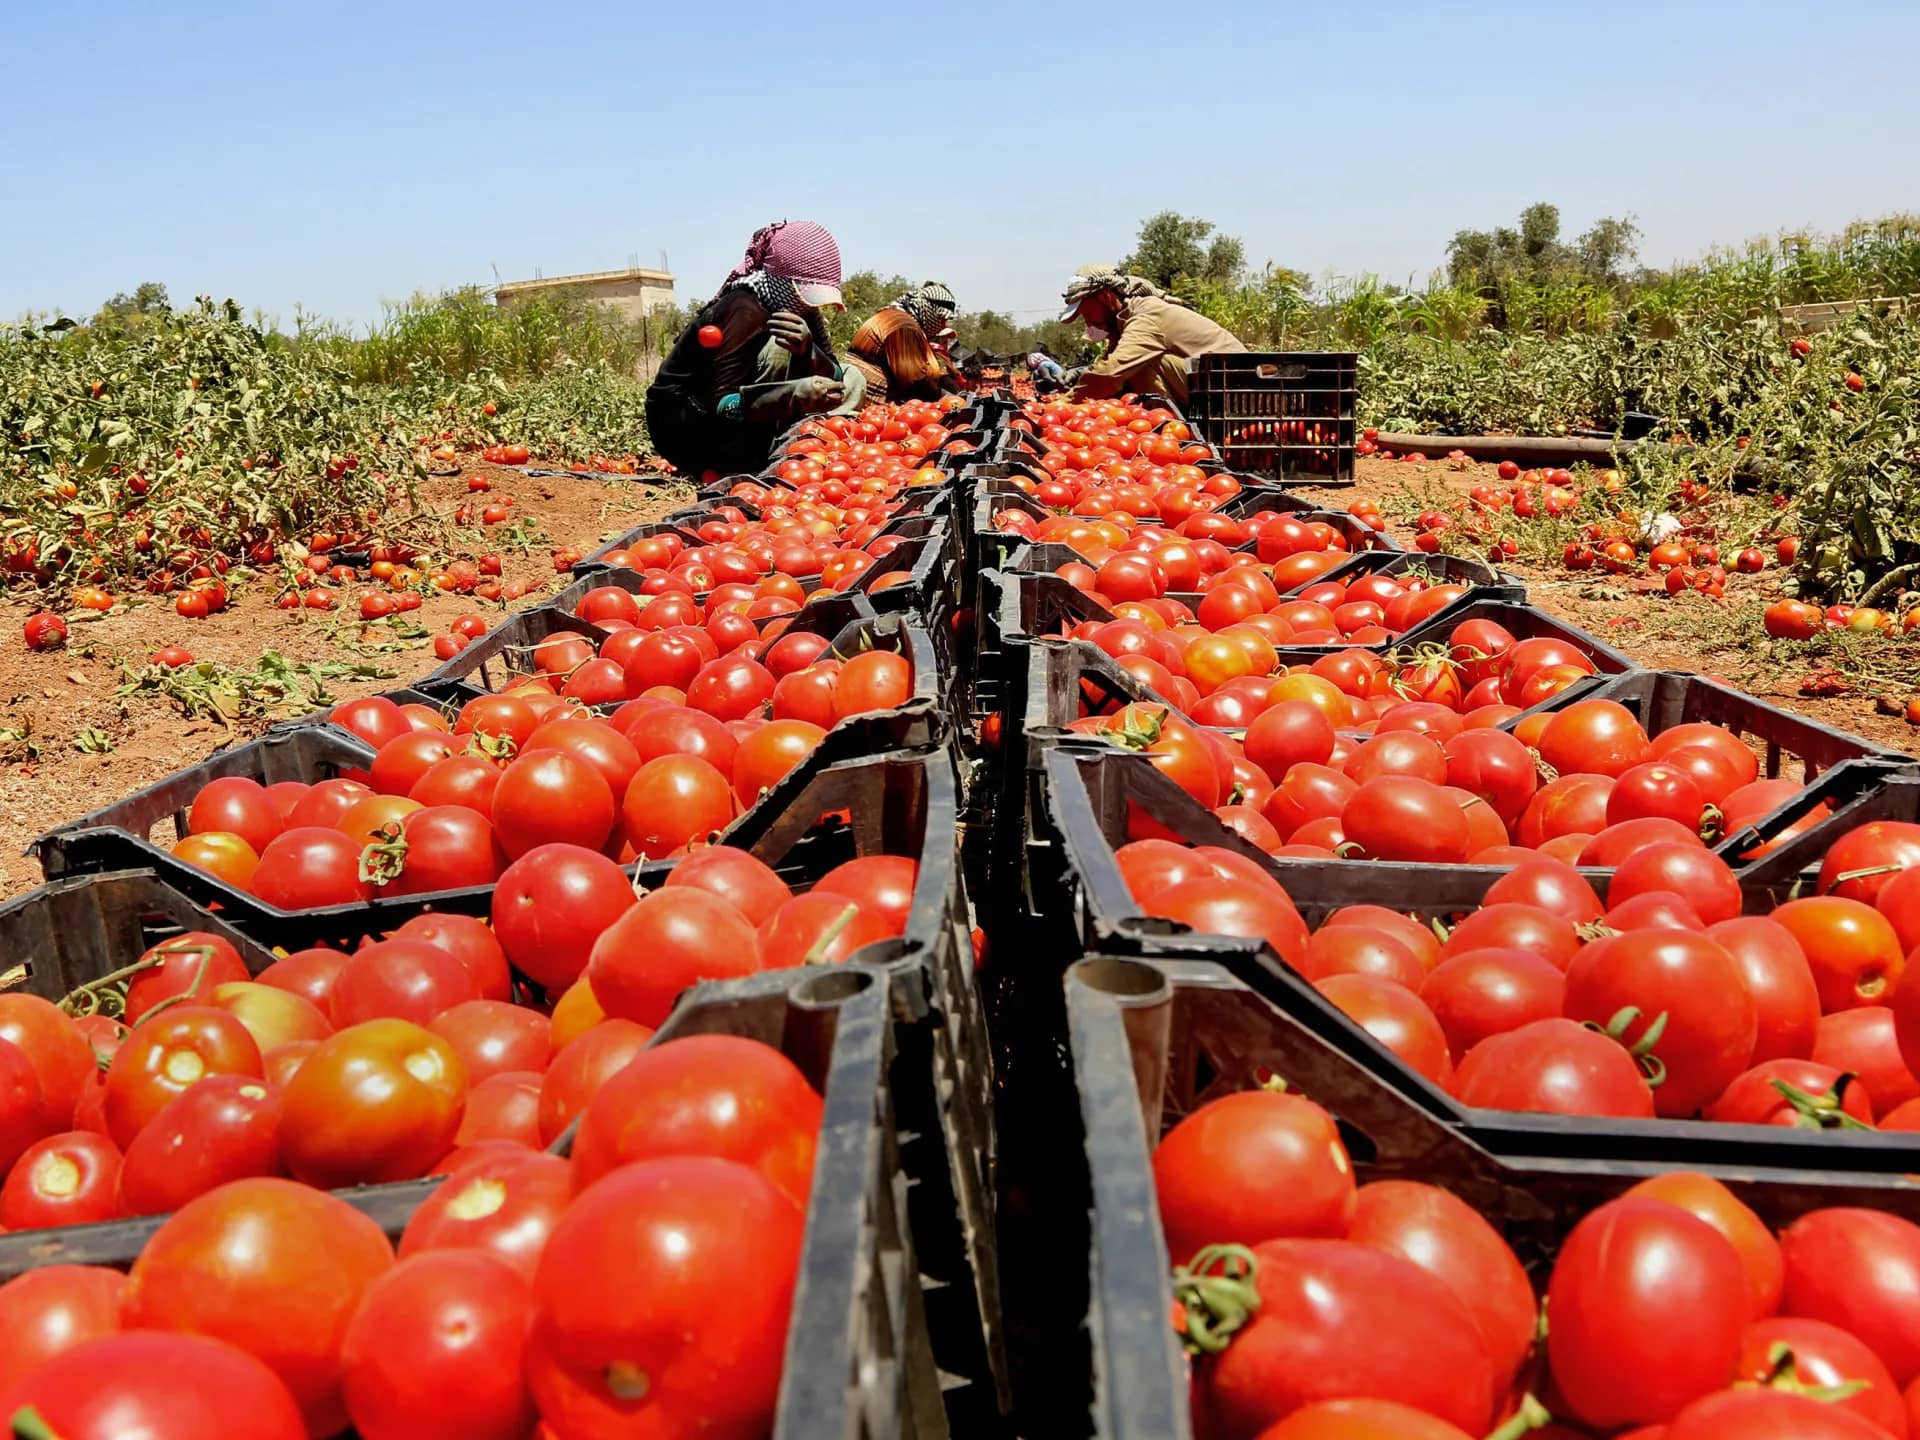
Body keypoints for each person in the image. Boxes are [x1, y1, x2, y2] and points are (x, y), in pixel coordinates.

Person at [646, 220, 865, 478]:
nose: (811, 304)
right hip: (688, 425)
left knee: (853, 377)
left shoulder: (800, 307)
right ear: (784, 281)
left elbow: (835, 376)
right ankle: (758, 452)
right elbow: (723, 406)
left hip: (740, 409)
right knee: (777, 349)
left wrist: (809, 352)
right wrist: (792, 394)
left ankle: (798, 436)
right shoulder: (743, 309)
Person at [1057, 267, 1245, 407]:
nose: (1088, 322)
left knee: (1141, 364)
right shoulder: (1125, 320)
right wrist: (1082, 373)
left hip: (1237, 391)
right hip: (1219, 385)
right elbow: (1108, 362)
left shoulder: (1146, 315)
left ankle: (1173, 431)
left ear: (1105, 297)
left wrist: (1062, 405)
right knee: (1132, 366)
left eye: (1086, 312)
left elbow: (1110, 373)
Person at [844, 282, 961, 404]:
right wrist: (951, 399)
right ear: (928, 310)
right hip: (870, 398)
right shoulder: (903, 326)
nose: (943, 325)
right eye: (942, 319)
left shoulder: (902, 320)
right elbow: (916, 378)